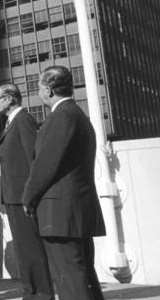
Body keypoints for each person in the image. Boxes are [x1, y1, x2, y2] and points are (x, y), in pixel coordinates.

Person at [22, 66, 105, 300]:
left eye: (39, 87)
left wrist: (28, 197)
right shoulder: (78, 115)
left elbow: (45, 165)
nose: (38, 92)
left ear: (48, 89)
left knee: (70, 280)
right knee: (82, 277)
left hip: (60, 214)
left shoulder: (60, 117)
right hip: (75, 210)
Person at [0, 83, 54, 300]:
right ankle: (31, 291)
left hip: (23, 197)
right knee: (23, 247)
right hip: (13, 196)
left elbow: (33, 160)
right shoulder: (11, 123)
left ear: (10, 98)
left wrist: (31, 195)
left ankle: (43, 293)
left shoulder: (24, 120)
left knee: (32, 247)